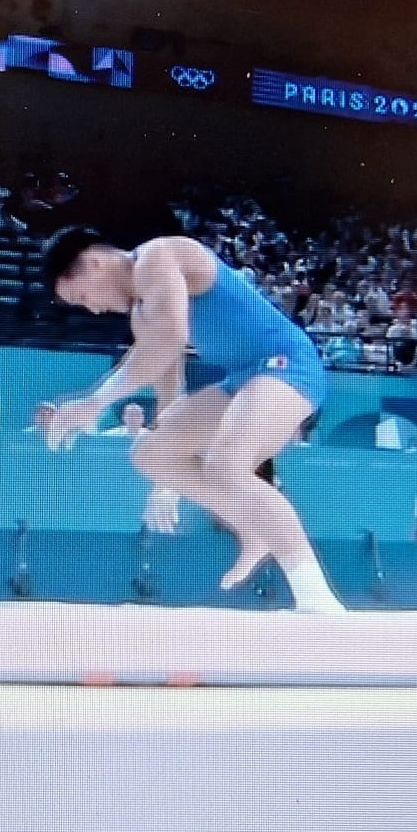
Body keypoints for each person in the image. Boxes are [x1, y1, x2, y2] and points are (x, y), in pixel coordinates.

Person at [41, 227, 344, 613]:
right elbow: (169, 391)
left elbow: (170, 337)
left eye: (83, 297)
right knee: (150, 454)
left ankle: (316, 597)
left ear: (94, 263)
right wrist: (167, 482)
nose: (94, 310)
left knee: (226, 464)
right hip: (244, 377)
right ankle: (254, 527)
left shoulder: (157, 256)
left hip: (286, 363)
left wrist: (95, 402)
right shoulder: (142, 315)